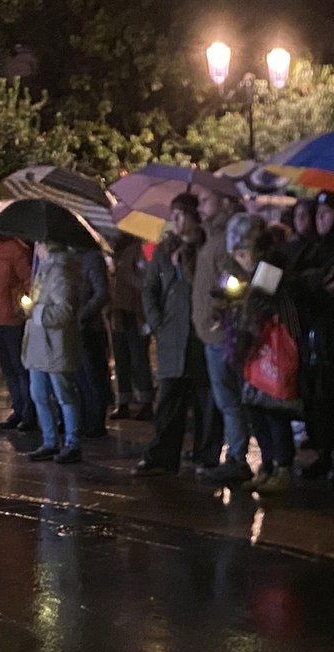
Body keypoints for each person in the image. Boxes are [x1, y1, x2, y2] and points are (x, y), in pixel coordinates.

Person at [222, 214, 301, 493]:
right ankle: (267, 466)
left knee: (273, 408)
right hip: (251, 349)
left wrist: (242, 299)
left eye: (245, 252)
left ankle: (283, 467)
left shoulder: (271, 265)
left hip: (268, 345)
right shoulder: (243, 270)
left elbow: (260, 304)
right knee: (256, 410)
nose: (242, 259)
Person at [135, 192, 212, 475]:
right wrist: (158, 322)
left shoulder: (208, 248)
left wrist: (189, 263)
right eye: (173, 215)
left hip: (202, 335)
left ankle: (206, 456)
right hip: (172, 335)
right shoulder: (164, 251)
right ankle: (162, 457)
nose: (175, 221)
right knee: (168, 399)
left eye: (180, 215)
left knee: (206, 400)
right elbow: (149, 289)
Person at [292, 191, 334, 481]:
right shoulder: (310, 248)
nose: (319, 219)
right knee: (316, 399)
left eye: (326, 213)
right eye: (317, 213)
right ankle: (323, 451)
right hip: (311, 333)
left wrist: (312, 281)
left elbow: (328, 284)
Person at [192, 184, 253, 481]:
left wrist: (221, 307)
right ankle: (235, 456)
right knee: (227, 400)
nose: (200, 207)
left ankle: (237, 458)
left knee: (231, 401)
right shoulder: (213, 239)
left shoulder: (228, 240)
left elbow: (234, 281)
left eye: (206, 200)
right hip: (213, 334)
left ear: (225, 203)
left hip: (223, 334)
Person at [22, 239, 87, 464]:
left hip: (55, 345)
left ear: (46, 247)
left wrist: (36, 312)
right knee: (39, 394)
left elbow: (65, 310)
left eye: (39, 244)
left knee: (64, 394)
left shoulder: (60, 273)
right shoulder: (44, 270)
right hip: (39, 345)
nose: (36, 248)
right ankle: (50, 441)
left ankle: (72, 442)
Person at [0, 232, 35, 431]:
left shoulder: (16, 250)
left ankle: (29, 412)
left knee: (19, 367)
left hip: (11, 317)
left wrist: (21, 304)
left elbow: (28, 280)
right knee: (7, 368)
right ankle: (18, 408)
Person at [109, 234, 154, 420]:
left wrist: (128, 276)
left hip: (135, 311)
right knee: (121, 358)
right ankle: (124, 401)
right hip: (119, 310)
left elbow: (146, 281)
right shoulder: (117, 252)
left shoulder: (140, 250)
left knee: (138, 358)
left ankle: (145, 401)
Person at [75, 243, 112, 438]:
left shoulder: (92, 259)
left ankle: (96, 422)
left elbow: (102, 293)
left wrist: (83, 313)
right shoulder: (72, 258)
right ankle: (84, 419)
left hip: (90, 328)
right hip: (75, 328)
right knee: (80, 376)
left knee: (93, 376)